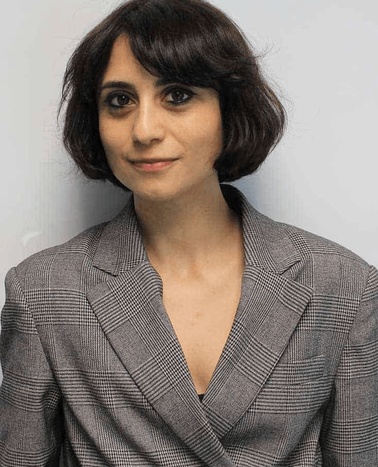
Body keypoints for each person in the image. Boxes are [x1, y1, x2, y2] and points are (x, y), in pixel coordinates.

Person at [0, 0, 377, 465]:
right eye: (119, 100)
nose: (144, 129)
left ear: (228, 109)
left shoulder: (342, 286)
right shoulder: (43, 291)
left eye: (177, 95)